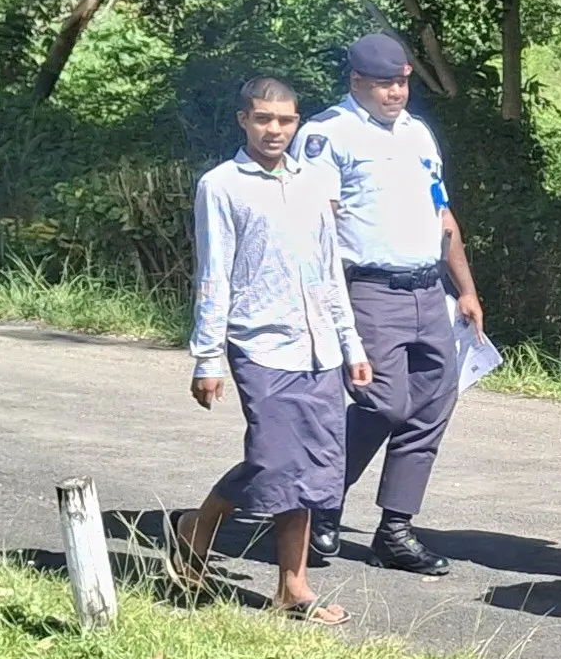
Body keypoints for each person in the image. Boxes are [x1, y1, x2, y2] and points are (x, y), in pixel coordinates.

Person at [165, 75, 371, 626]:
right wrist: (208, 358)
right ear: (244, 120)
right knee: (274, 460)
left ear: (297, 122)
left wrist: (350, 343)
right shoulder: (222, 184)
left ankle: (292, 586)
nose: (274, 129)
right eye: (263, 118)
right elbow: (214, 275)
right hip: (260, 343)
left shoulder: (313, 183)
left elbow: (330, 270)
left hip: (321, 348)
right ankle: (197, 527)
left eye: (284, 120)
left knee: (314, 465)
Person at [292, 33, 483, 577]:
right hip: (370, 290)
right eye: (383, 84)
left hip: (429, 291)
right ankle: (320, 501)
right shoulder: (329, 134)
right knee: (384, 403)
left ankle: (395, 530)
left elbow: (442, 216)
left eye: (401, 82)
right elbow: (318, 225)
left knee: (431, 407)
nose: (396, 92)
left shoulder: (418, 134)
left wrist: (465, 288)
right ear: (356, 82)